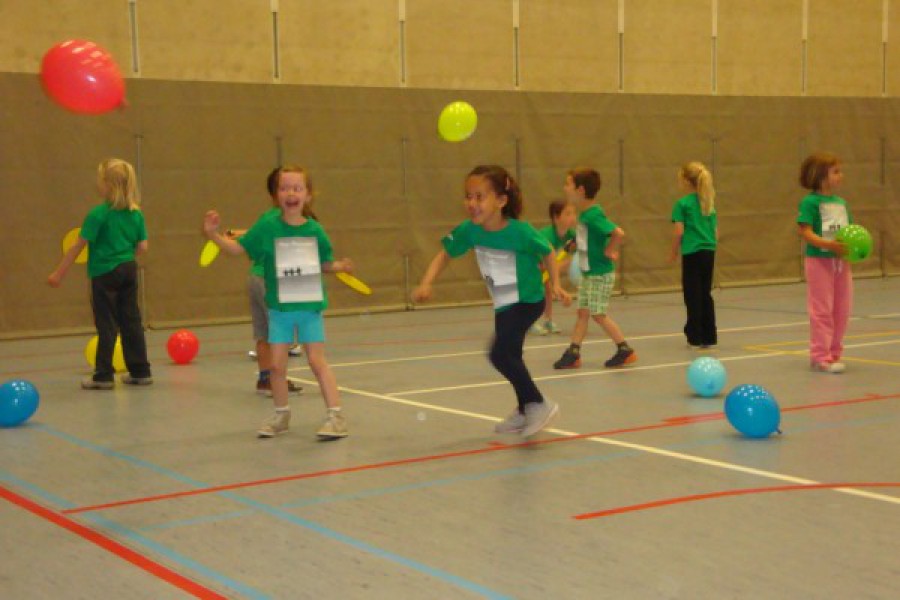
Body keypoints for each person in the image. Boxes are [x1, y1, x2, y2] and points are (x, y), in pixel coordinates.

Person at [412, 165, 571, 437]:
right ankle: (524, 410)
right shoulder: (470, 230)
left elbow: (547, 252)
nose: (471, 203)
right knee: (512, 355)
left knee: (499, 354)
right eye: (468, 196)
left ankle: (538, 403)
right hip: (503, 300)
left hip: (527, 300)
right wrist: (427, 282)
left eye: (479, 197)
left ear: (501, 200)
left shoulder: (520, 232)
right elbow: (445, 254)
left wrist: (555, 284)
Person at [203, 165, 351, 438]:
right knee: (276, 366)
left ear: (308, 195)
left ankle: (336, 416)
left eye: (297, 188)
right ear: (276, 195)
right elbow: (237, 248)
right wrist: (213, 234)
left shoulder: (315, 231)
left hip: (309, 309)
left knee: (317, 361)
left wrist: (339, 266)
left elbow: (324, 263)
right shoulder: (267, 226)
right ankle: (281, 415)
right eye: (284, 188)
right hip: (279, 310)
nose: (290, 193)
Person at [48, 158, 152, 389]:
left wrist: (59, 273)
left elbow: (78, 246)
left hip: (104, 273)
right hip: (128, 269)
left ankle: (103, 375)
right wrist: (124, 255)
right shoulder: (136, 214)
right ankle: (140, 371)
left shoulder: (98, 214)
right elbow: (143, 247)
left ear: (107, 185)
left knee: (106, 323)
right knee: (131, 320)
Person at [227, 167, 302, 397]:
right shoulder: (283, 220)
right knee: (279, 335)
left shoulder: (266, 218)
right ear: (276, 194)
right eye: (286, 188)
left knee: (262, 334)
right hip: (270, 282)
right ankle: (278, 378)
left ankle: (264, 380)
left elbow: (249, 243)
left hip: (254, 278)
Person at [553, 168, 636, 369]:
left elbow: (618, 233)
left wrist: (610, 250)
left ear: (580, 190)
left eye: (568, 184)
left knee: (598, 314)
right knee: (582, 313)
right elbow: (590, 238)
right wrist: (577, 244)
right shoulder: (585, 216)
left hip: (599, 274)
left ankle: (624, 349)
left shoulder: (593, 215)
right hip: (588, 273)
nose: (565, 188)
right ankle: (574, 352)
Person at [797, 152, 852, 374]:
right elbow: (805, 232)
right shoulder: (810, 202)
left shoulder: (841, 203)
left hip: (841, 263)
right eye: (835, 172)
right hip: (819, 261)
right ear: (820, 176)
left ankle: (834, 352)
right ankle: (820, 355)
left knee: (842, 308)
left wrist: (851, 249)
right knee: (822, 309)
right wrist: (829, 246)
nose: (841, 175)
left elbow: (849, 233)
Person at [668, 162, 718, 349]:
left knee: (692, 294)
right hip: (708, 251)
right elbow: (715, 231)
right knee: (705, 293)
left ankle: (695, 336)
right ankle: (709, 335)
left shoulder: (682, 204)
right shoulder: (708, 203)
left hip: (692, 252)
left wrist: (673, 251)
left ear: (687, 182)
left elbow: (679, 231)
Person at [530, 199, 577, 336]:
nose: (572, 217)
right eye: (567, 214)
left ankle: (548, 320)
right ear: (556, 218)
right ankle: (530, 322)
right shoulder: (546, 236)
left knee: (548, 291)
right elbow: (541, 263)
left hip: (546, 266)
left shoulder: (572, 236)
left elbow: (571, 258)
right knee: (536, 294)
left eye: (573, 214)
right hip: (531, 264)